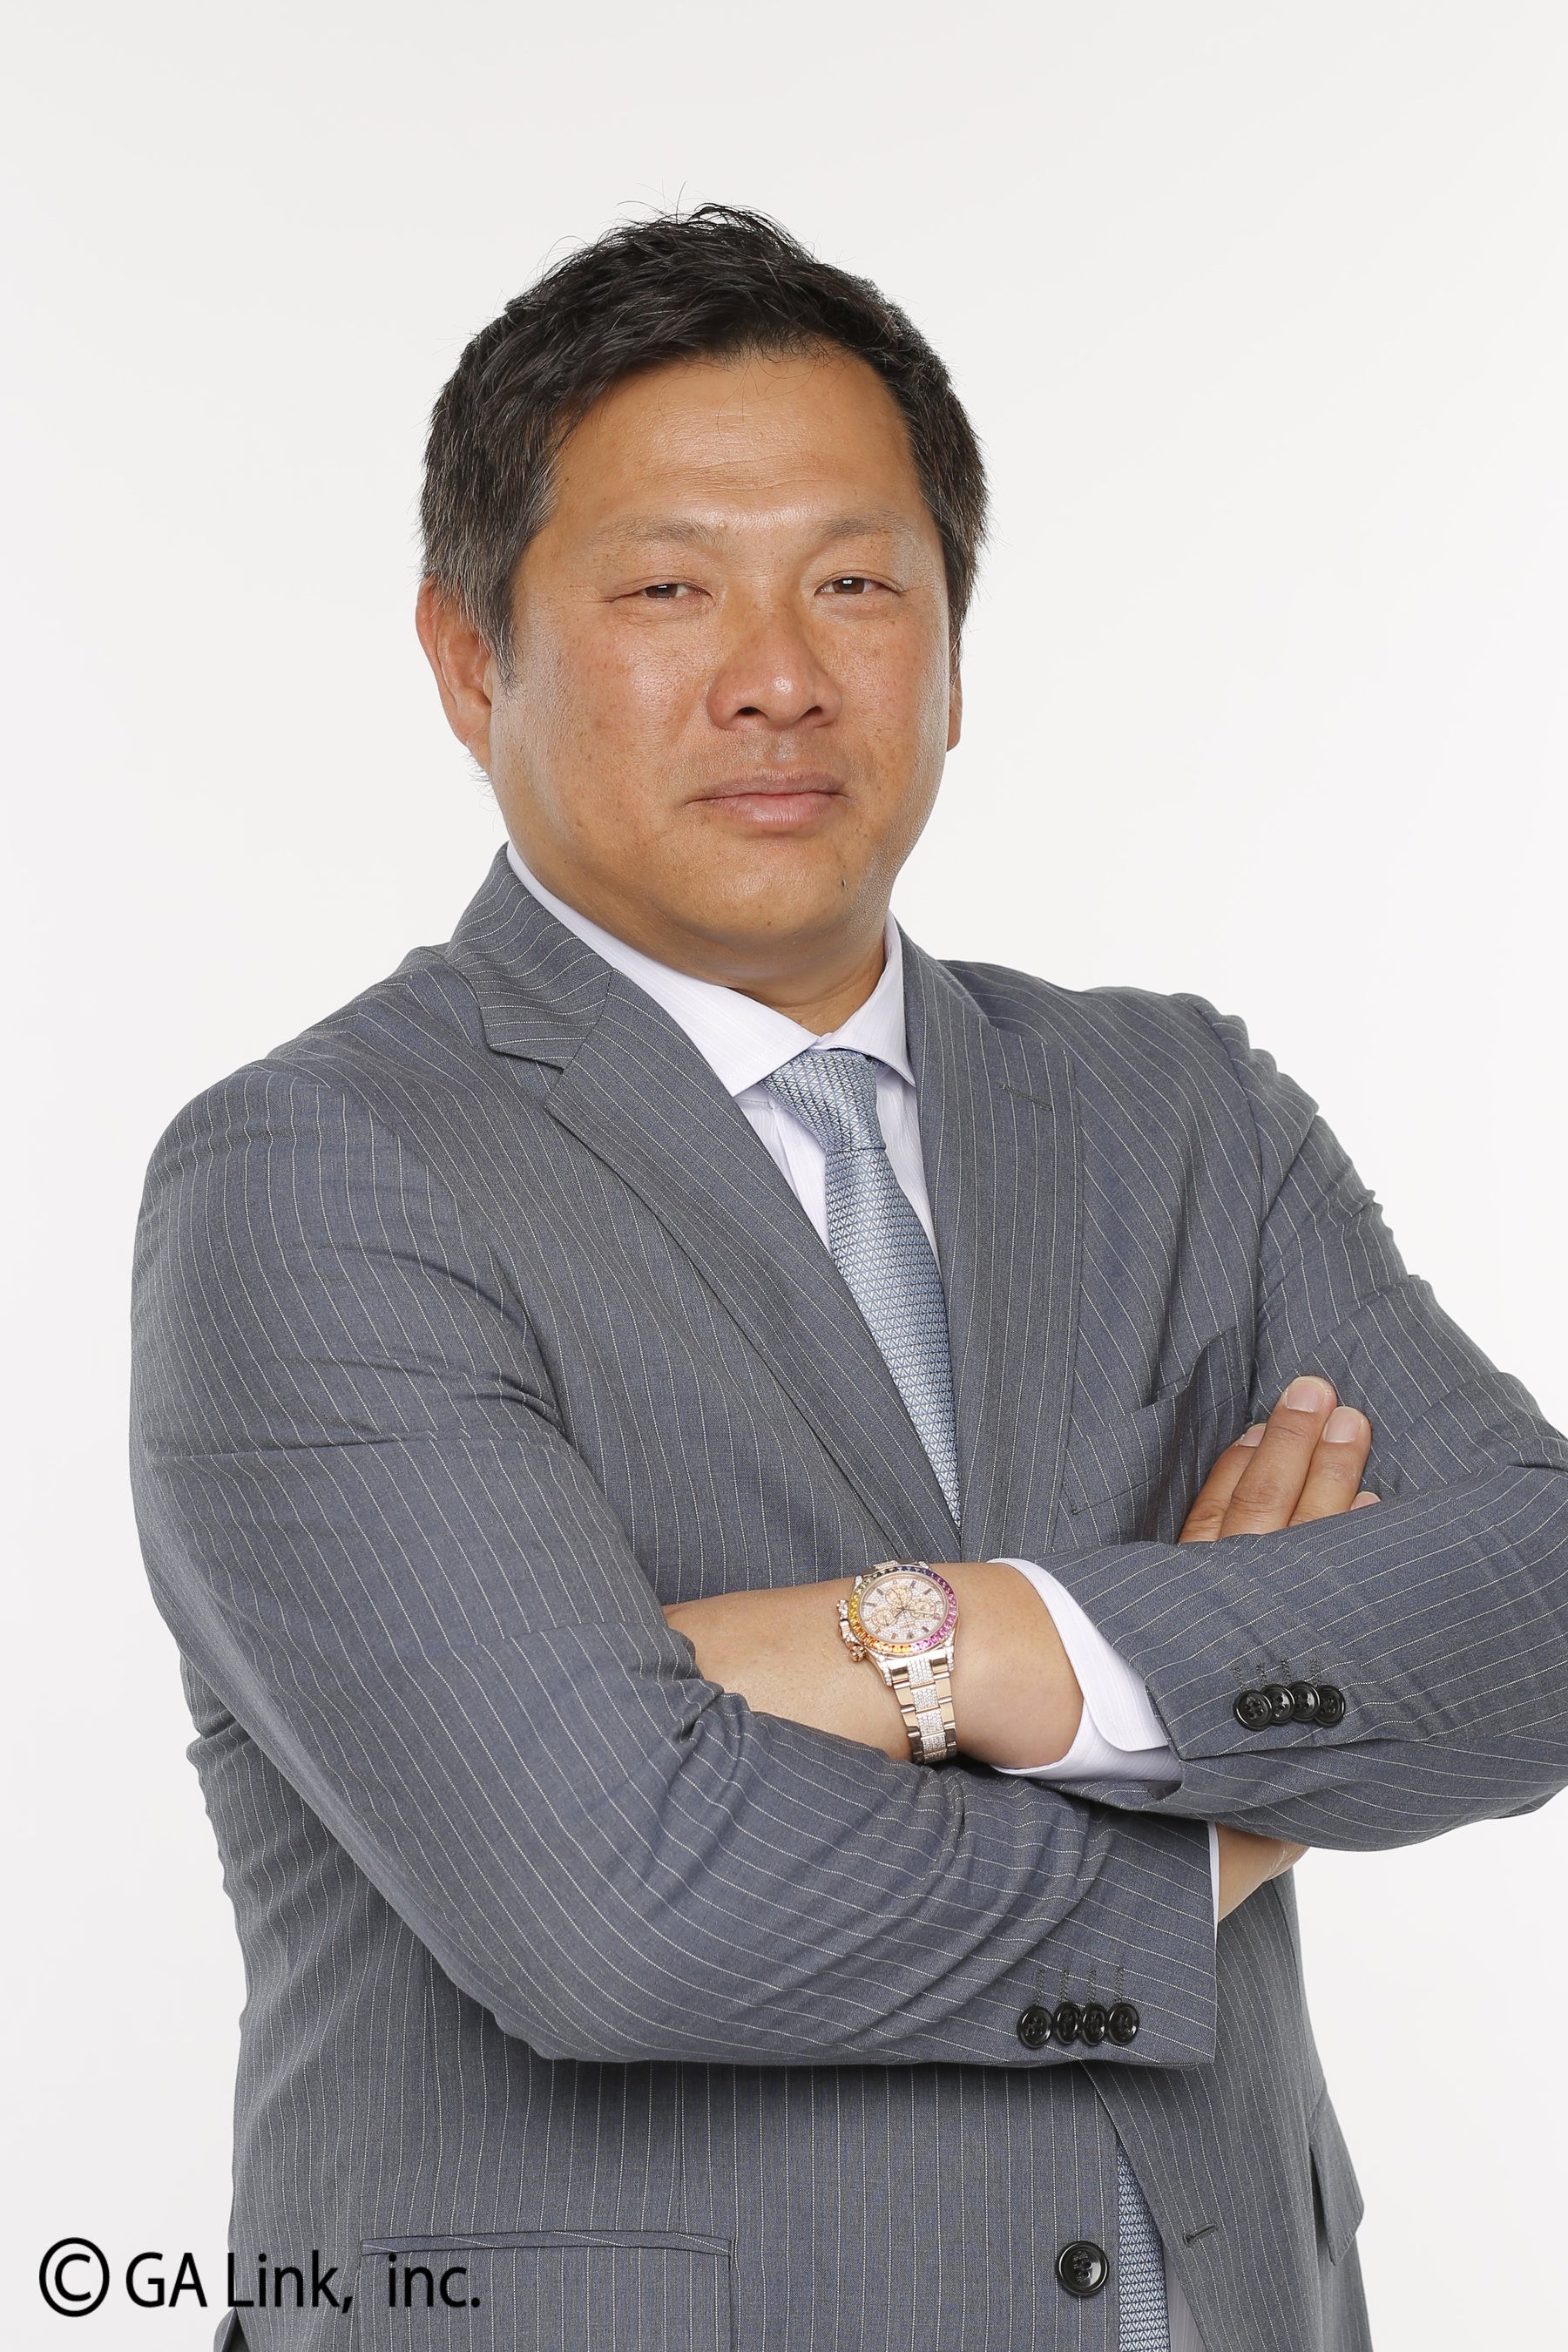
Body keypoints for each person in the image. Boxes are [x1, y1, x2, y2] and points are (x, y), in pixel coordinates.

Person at [130, 206, 1568, 2352]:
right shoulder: (320, 1174)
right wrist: (1224, 1804)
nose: (779, 675)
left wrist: (959, 1645)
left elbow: (1535, 1608)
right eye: (667, 587)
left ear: (956, 655)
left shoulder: (1179, 1109)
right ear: (468, 658)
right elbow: (614, 1906)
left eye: (858, 584)